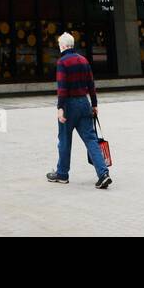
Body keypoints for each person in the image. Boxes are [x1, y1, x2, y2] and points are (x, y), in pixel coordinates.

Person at [47, 32, 111, 189]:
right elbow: (91, 84)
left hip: (69, 105)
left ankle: (62, 174)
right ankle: (103, 174)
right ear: (72, 45)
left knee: (64, 140)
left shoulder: (62, 62)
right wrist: (94, 104)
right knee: (91, 139)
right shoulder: (83, 60)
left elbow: (62, 88)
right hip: (84, 103)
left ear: (62, 46)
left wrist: (60, 108)